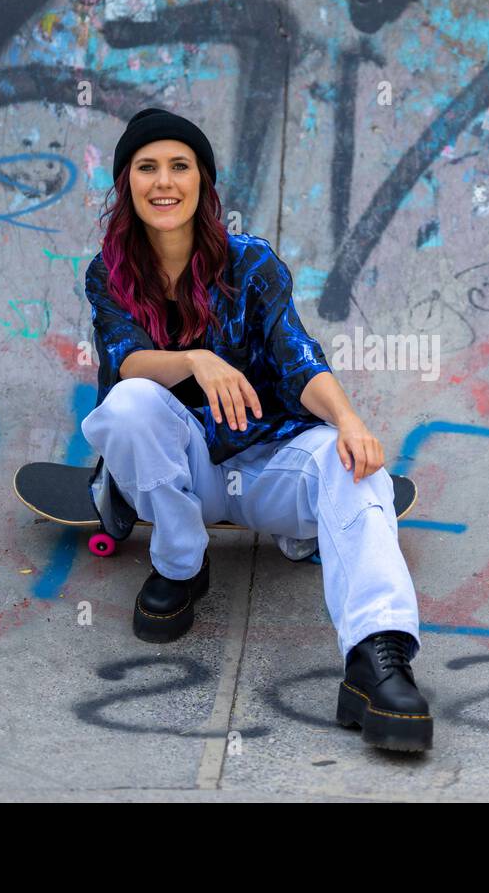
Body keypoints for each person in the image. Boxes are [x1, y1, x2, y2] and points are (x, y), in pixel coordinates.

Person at [79, 108, 432, 751]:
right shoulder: (110, 272)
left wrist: (350, 422)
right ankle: (183, 566)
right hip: (183, 474)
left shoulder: (252, 263)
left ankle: (377, 658)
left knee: (352, 466)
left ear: (203, 182)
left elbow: (297, 354)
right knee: (130, 403)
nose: (165, 181)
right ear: (126, 182)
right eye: (147, 167)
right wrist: (193, 360)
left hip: (270, 463)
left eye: (179, 166)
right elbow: (126, 360)